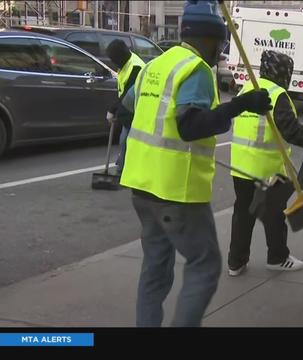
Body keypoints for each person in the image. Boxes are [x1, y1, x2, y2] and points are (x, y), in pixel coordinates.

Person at [118, 0, 272, 327]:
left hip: (142, 189)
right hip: (177, 193)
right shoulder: (197, 69)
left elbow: (126, 108)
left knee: (155, 272)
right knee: (204, 264)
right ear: (207, 38)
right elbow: (189, 127)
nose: (220, 51)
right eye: (219, 43)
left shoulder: (156, 65)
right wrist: (241, 104)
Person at [228, 50, 303, 276]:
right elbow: (293, 131)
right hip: (266, 169)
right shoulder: (276, 94)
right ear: (283, 73)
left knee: (243, 213)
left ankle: (235, 262)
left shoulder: (248, 88)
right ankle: (277, 257)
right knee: (274, 213)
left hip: (240, 166)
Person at [105, 39, 145, 175]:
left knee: (126, 140)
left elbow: (128, 92)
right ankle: (124, 162)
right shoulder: (125, 63)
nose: (112, 62)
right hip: (128, 107)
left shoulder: (136, 67)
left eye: (113, 59)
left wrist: (112, 109)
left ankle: (122, 171)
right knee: (125, 140)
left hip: (137, 109)